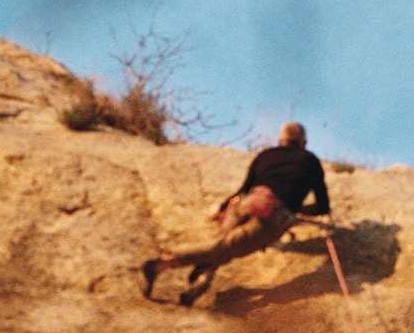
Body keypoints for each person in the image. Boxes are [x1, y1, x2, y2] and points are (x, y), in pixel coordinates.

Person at [141, 121, 331, 305]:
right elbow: (322, 207)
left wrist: (222, 207)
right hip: (271, 215)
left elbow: (243, 189)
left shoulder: (265, 155)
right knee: (222, 248)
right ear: (304, 143)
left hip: (246, 204)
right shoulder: (311, 161)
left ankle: (201, 282)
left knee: (220, 244)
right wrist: (296, 211)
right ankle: (160, 265)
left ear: (280, 141)